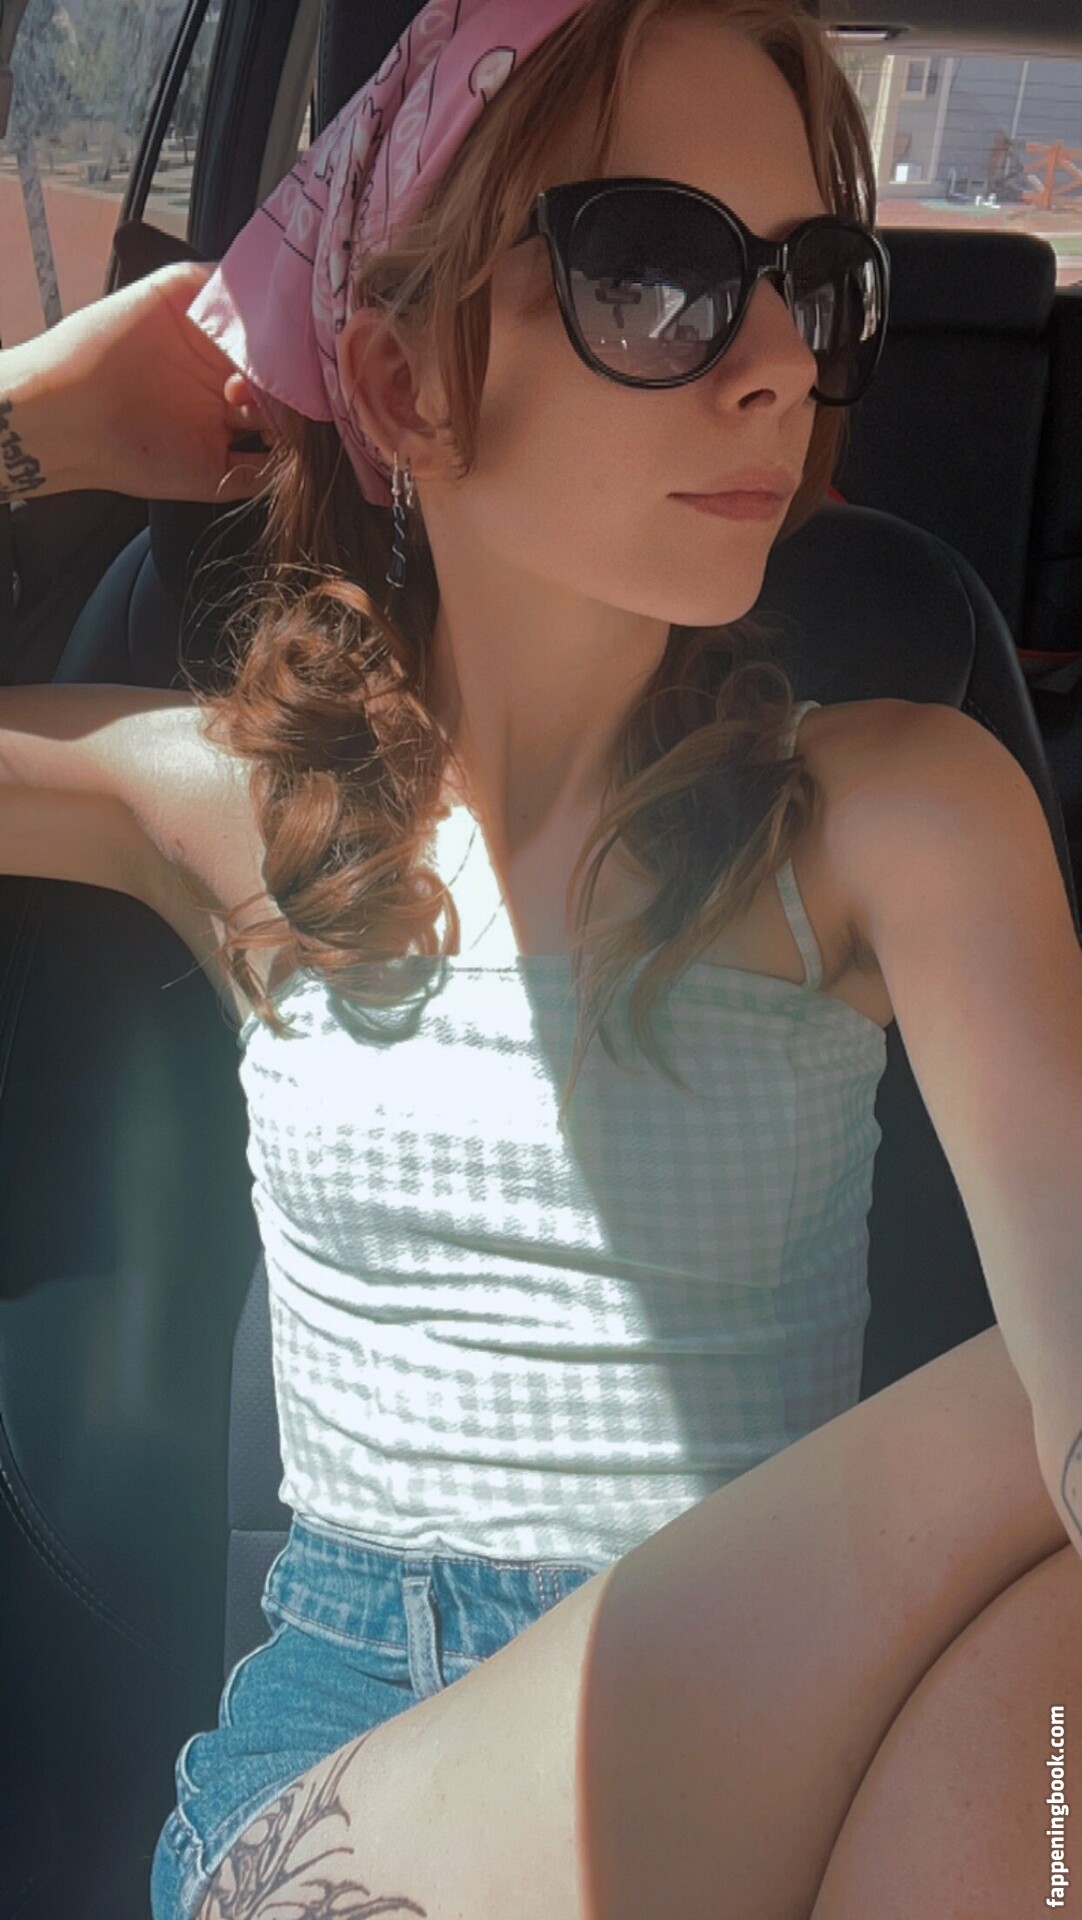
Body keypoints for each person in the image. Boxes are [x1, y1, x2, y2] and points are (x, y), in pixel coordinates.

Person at [1, 1, 1080, 1914]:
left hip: (808, 1751)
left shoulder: (892, 807)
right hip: (347, 1793)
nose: (777, 367)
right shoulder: (234, 810)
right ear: (402, 383)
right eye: (654, 275)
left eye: (811, 285)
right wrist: (40, 421)